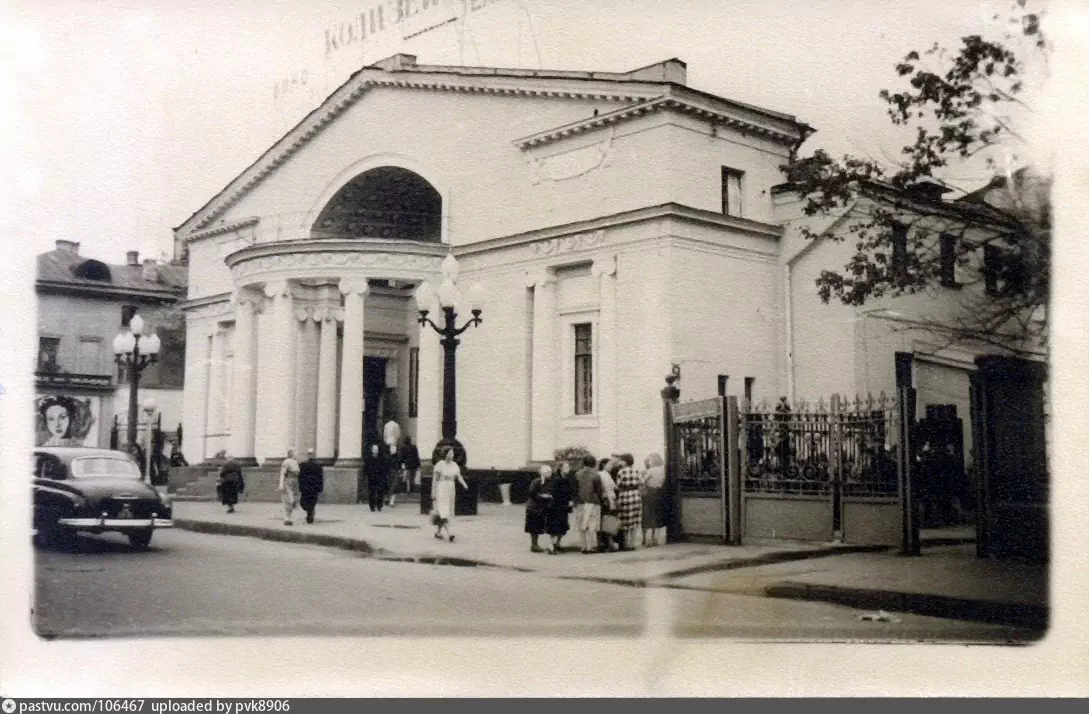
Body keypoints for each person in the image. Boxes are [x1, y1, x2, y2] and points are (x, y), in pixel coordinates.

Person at [431, 447, 467, 541]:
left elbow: (459, 476)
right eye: (450, 453)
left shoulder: (454, 465)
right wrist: (433, 491)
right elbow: (435, 479)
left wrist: (464, 484)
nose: (452, 455)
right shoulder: (440, 465)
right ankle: (449, 533)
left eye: (453, 453)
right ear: (445, 454)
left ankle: (438, 532)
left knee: (445, 511)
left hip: (451, 489)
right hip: (442, 488)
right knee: (443, 511)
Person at [573, 455, 603, 554]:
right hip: (593, 502)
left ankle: (583, 546)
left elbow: (575, 489)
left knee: (582, 524)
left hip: (581, 502)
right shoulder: (596, 475)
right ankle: (591, 546)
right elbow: (599, 491)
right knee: (592, 525)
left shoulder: (577, 474)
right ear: (594, 464)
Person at [614, 454, 643, 551]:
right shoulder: (637, 471)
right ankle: (632, 543)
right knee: (634, 520)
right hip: (635, 496)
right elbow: (641, 482)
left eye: (621, 460)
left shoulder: (621, 472)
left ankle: (627, 544)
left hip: (625, 496)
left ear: (625, 462)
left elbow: (618, 486)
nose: (619, 462)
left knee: (625, 521)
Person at [546, 461, 576, 553]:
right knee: (555, 526)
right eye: (566, 467)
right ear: (561, 468)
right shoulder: (556, 480)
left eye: (568, 467)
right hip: (556, 507)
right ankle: (551, 545)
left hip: (564, 507)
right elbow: (553, 493)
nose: (568, 468)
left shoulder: (567, 479)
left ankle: (557, 544)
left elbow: (570, 492)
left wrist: (570, 501)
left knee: (563, 526)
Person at [524, 464, 554, 553]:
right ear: (543, 473)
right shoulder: (537, 481)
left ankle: (535, 545)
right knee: (533, 527)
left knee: (538, 526)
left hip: (540, 507)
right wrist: (542, 496)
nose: (550, 473)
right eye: (548, 472)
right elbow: (532, 493)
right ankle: (534, 545)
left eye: (550, 471)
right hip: (533, 507)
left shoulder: (549, 482)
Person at [642, 452, 667, 547]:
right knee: (657, 515)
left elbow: (643, 481)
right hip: (659, 493)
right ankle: (655, 538)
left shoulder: (651, 470)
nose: (649, 462)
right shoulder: (663, 469)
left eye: (649, 460)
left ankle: (646, 539)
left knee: (647, 515)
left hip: (649, 492)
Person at [596, 457, 618, 552]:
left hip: (606, 499)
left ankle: (604, 543)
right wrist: (612, 502)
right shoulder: (604, 475)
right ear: (604, 465)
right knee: (608, 521)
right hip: (608, 499)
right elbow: (609, 489)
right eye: (610, 464)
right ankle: (610, 543)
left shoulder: (604, 474)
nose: (612, 466)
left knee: (605, 520)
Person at [298, 448, 324, 524]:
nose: (310, 455)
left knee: (308, 502)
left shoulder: (305, 465)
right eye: (309, 454)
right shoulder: (304, 464)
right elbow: (300, 477)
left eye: (311, 454)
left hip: (309, 487)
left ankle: (310, 515)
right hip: (311, 487)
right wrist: (320, 488)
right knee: (309, 502)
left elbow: (320, 477)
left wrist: (301, 487)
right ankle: (310, 512)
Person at [278, 448, 301, 526]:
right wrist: (281, 484)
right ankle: (287, 518)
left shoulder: (295, 462)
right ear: (291, 454)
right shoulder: (286, 462)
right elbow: (282, 473)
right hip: (288, 481)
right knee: (289, 499)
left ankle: (289, 517)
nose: (297, 454)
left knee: (293, 500)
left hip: (295, 482)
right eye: (295, 453)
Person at [363, 443, 388, 512]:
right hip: (371, 478)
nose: (375, 450)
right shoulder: (368, 458)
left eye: (376, 449)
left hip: (380, 478)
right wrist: (366, 476)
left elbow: (384, 468)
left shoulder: (382, 458)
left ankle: (379, 505)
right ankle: (372, 506)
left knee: (380, 492)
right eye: (374, 449)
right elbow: (366, 468)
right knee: (372, 492)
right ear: (372, 450)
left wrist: (384, 476)